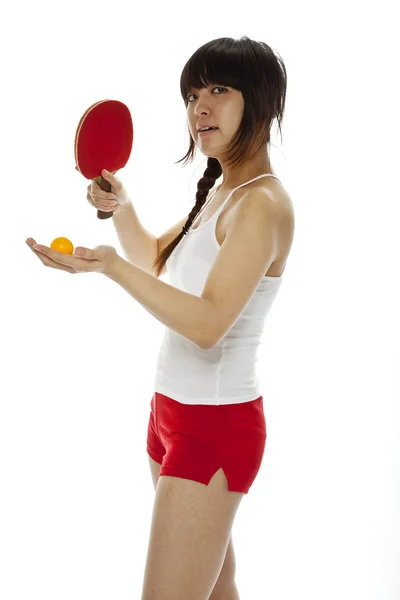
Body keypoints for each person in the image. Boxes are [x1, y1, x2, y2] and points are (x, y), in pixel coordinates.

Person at [27, 36, 295, 600]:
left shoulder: (263, 205)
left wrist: (108, 270)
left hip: (215, 429)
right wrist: (120, 205)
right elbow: (155, 258)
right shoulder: (225, 192)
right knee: (217, 588)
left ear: (263, 103)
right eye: (193, 93)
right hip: (170, 412)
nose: (200, 106)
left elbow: (206, 324)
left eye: (219, 90)